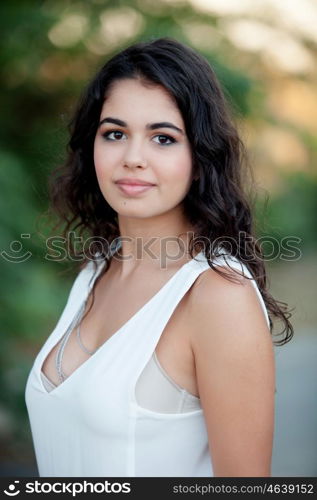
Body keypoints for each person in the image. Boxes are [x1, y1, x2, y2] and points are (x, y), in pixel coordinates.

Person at [25, 37, 293, 478]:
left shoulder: (217, 296)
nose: (132, 158)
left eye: (163, 138)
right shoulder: (97, 270)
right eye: (115, 133)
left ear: (200, 155)